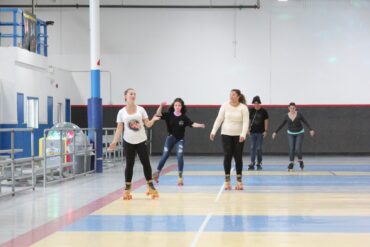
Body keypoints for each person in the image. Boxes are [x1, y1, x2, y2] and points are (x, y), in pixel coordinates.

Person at [109, 88, 160, 200]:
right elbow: (119, 128)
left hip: (141, 140)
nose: (133, 95)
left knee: (146, 163)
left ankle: (150, 186)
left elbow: (148, 124)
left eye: (134, 94)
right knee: (129, 164)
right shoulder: (121, 112)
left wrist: (154, 119)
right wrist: (114, 142)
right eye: (131, 94)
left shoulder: (141, 109)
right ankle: (127, 188)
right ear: (125, 97)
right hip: (128, 142)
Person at [153, 98, 205, 186]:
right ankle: (157, 173)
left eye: (179, 105)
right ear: (173, 106)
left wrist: (199, 125)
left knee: (180, 156)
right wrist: (161, 106)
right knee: (165, 155)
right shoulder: (169, 115)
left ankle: (180, 177)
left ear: (181, 107)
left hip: (179, 140)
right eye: (176, 105)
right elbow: (158, 114)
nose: (177, 107)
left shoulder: (184, 117)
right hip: (170, 138)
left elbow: (192, 124)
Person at [210, 89, 249, 190]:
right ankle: (227, 181)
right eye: (230, 95)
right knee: (227, 156)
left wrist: (243, 134)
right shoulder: (225, 106)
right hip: (226, 134)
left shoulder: (243, 108)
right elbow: (219, 119)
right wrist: (213, 131)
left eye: (233, 95)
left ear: (238, 96)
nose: (231, 96)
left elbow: (245, 122)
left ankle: (239, 182)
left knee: (238, 157)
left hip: (239, 136)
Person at [272, 102, 315, 171]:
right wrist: (275, 132)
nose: (292, 109)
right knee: (291, 148)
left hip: (300, 133)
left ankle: (300, 161)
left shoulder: (299, 115)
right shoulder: (286, 116)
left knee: (297, 149)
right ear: (288, 108)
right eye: (291, 108)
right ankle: (291, 163)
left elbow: (305, 122)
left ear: (295, 108)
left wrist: (311, 129)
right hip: (290, 133)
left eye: (293, 108)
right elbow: (282, 124)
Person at [248, 96, 269, 171]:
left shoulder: (264, 111)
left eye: (257, 103)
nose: (256, 104)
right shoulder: (251, 111)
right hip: (252, 132)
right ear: (253, 103)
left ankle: (259, 162)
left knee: (259, 148)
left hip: (260, 132)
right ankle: (252, 162)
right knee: (252, 147)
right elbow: (249, 120)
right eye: (255, 103)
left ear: (259, 103)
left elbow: (266, 121)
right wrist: (248, 129)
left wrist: (266, 130)